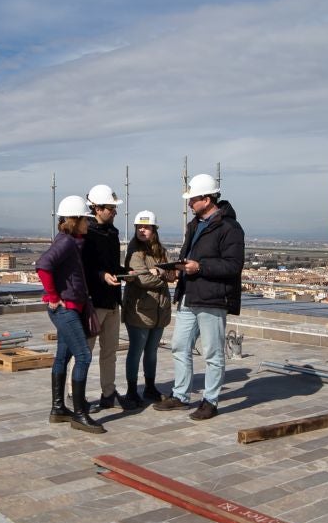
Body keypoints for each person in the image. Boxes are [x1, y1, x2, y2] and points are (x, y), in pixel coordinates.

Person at [156, 173, 244, 421]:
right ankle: (181, 394)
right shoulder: (194, 225)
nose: (189, 203)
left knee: (213, 352)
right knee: (179, 345)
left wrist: (200, 268)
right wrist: (175, 269)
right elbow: (188, 258)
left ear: (206, 199)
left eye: (193, 199)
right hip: (188, 296)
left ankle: (211, 400)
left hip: (212, 299)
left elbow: (233, 266)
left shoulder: (230, 228)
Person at [35, 195, 106, 434]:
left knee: (63, 357)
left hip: (70, 308)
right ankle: (79, 414)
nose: (89, 222)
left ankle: (58, 409)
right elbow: (43, 265)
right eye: (85, 219)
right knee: (84, 357)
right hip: (66, 310)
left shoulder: (70, 240)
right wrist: (53, 297)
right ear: (75, 220)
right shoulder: (65, 242)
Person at [120, 211, 172, 407]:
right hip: (140, 310)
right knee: (136, 351)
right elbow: (142, 279)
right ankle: (132, 391)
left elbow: (174, 273)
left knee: (151, 352)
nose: (142, 230)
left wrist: (159, 272)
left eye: (146, 227)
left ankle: (150, 387)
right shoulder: (134, 251)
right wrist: (161, 274)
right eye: (138, 227)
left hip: (159, 310)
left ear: (154, 229)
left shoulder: (162, 251)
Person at [80, 183, 124, 408]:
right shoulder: (85, 234)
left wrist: (123, 273)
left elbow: (111, 265)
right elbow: (84, 268)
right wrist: (102, 276)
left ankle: (109, 392)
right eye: (110, 208)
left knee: (110, 351)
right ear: (97, 208)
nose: (114, 211)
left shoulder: (112, 232)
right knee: (84, 351)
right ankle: (75, 395)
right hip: (93, 302)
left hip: (112, 300)